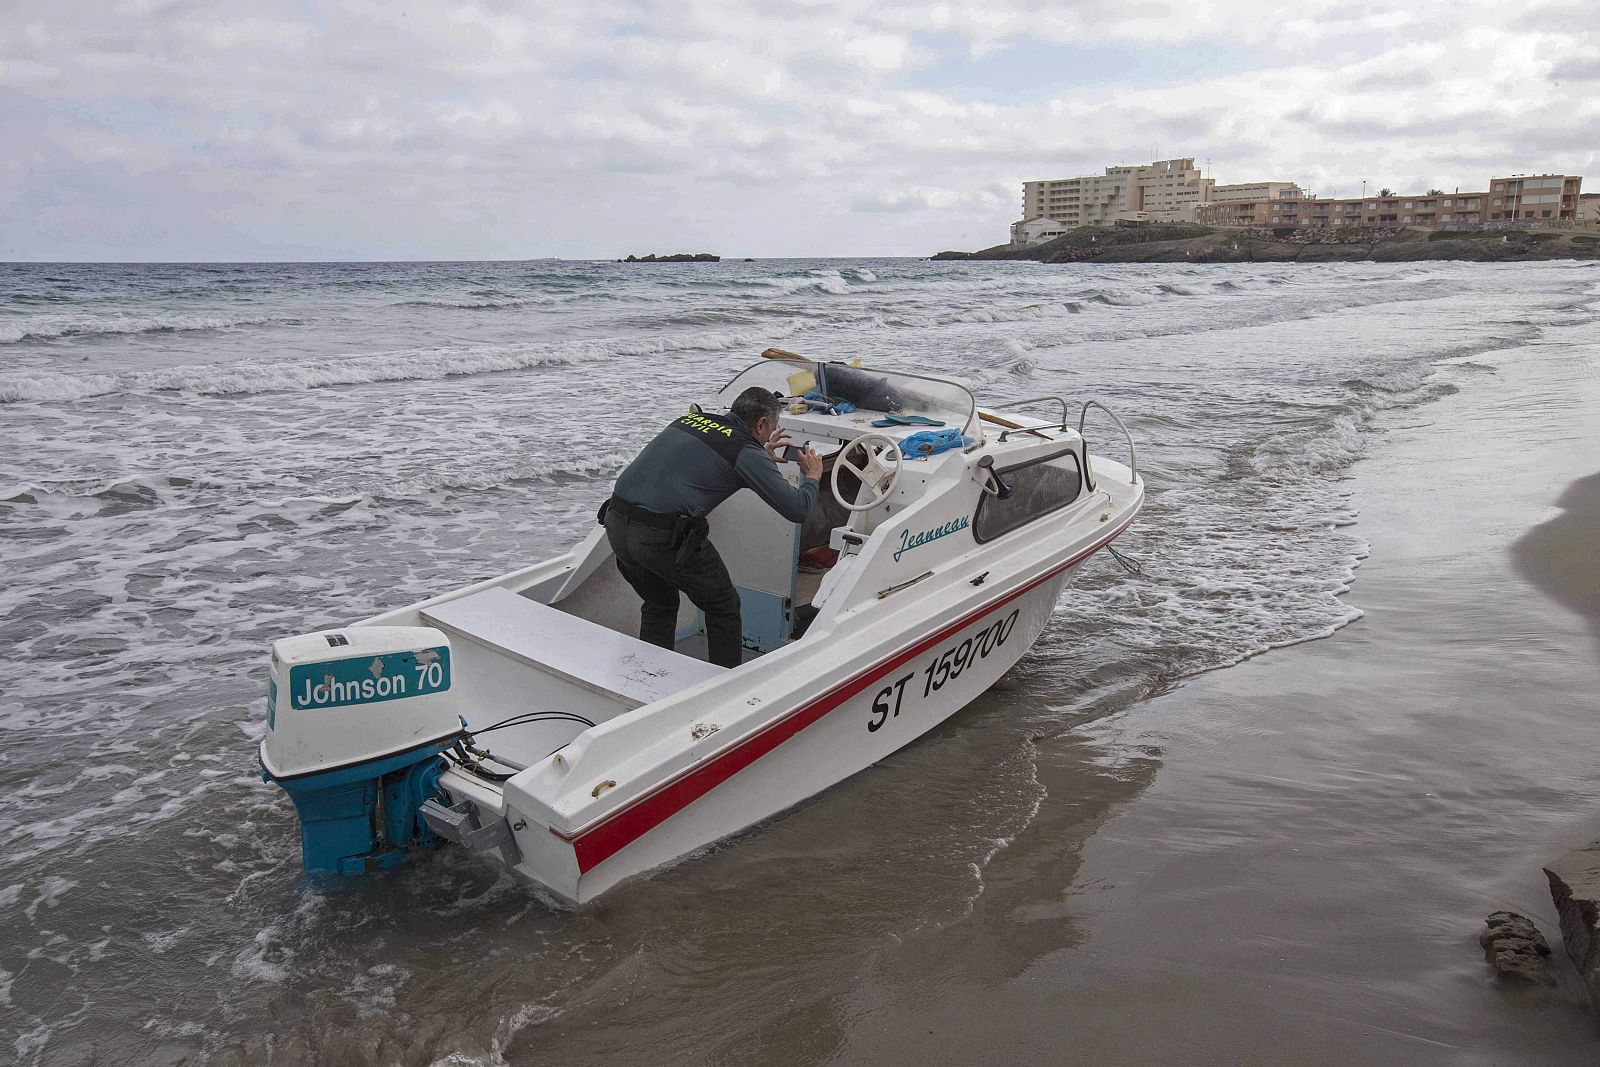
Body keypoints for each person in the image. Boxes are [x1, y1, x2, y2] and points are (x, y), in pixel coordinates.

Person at [601, 387, 823, 668]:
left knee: (660, 605)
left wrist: (760, 454)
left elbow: (701, 460)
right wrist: (812, 476)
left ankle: (649, 678)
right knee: (723, 606)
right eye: (773, 428)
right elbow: (797, 509)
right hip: (661, 537)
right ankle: (723, 684)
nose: (771, 434)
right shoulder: (745, 450)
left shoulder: (688, 421)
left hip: (616, 523)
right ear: (762, 424)